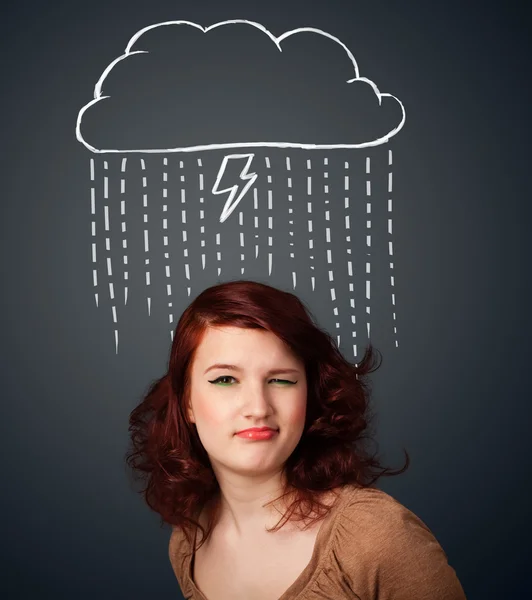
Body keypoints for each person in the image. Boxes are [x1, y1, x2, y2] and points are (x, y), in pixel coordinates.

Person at [125, 279, 467, 599]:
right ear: (187, 403)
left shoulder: (377, 536)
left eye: (281, 380)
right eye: (226, 379)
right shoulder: (187, 542)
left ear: (310, 395)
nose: (258, 408)